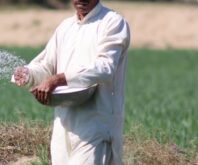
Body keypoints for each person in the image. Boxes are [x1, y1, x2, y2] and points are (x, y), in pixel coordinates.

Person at [13, 0, 130, 164]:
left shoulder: (112, 22)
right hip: (63, 124)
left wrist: (58, 79)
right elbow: (46, 65)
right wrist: (29, 74)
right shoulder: (65, 27)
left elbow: (105, 67)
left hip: (97, 125)